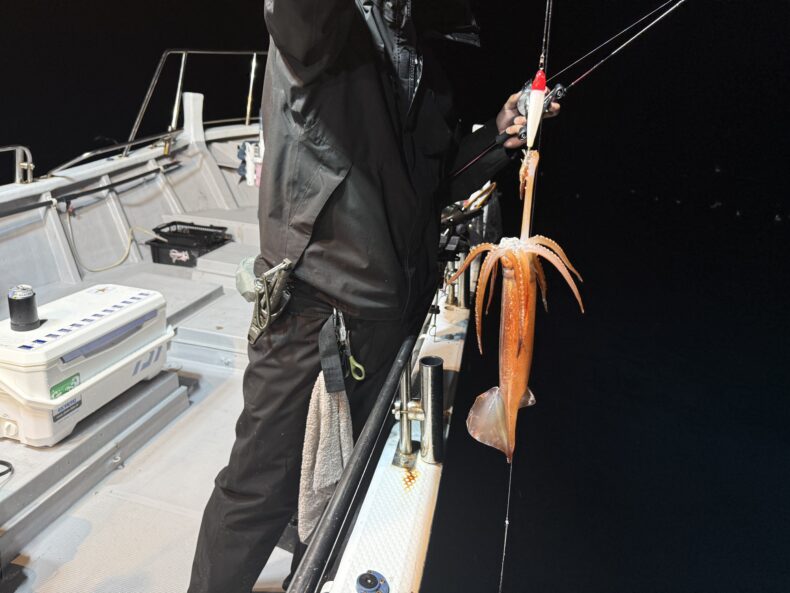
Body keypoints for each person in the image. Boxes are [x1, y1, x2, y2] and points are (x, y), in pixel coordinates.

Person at [188, 1, 558, 592]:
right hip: (313, 312)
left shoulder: (426, 63)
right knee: (259, 488)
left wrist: (497, 136)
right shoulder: (331, 28)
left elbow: (435, 183)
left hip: (390, 321)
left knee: (339, 490)